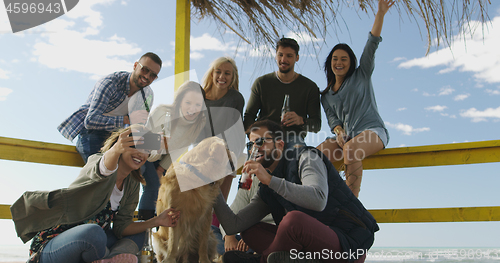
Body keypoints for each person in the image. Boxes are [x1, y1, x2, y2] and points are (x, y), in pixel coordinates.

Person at [214, 120, 379, 263]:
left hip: (348, 247)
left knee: (293, 220)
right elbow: (233, 225)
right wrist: (212, 188)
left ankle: (263, 260)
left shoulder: (307, 157)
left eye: (261, 141)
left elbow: (318, 200)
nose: (255, 148)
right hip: (310, 250)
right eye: (250, 145)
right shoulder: (267, 188)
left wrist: (270, 180)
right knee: (249, 230)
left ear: (280, 144)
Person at [10, 124, 180, 263]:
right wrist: (115, 149)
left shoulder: (132, 183)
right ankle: (111, 257)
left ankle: (111, 259)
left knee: (141, 230)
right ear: (120, 146)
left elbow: (122, 227)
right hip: (56, 244)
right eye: (135, 147)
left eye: (146, 151)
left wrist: (157, 220)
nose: (141, 154)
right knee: (94, 233)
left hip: (94, 245)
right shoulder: (98, 162)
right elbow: (104, 168)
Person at [316, 0, 393, 198]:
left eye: (344, 59)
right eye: (335, 59)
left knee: (350, 150)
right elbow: (334, 122)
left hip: (373, 132)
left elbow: (372, 43)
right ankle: (321, 199)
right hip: (348, 139)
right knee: (314, 156)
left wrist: (381, 14)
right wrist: (339, 132)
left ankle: (352, 208)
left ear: (351, 62)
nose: (339, 62)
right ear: (329, 63)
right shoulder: (325, 96)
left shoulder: (362, 75)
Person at [58, 52, 162, 163]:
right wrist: (126, 120)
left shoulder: (147, 94)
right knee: (100, 170)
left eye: (153, 75)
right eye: (144, 70)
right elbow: (90, 121)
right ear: (135, 65)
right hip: (92, 132)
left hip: (119, 136)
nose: (147, 76)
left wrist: (156, 140)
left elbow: (137, 127)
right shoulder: (110, 83)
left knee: (149, 157)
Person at [138, 81, 207, 220]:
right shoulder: (162, 113)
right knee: (152, 186)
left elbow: (179, 148)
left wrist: (160, 170)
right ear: (180, 101)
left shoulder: (199, 121)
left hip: (163, 158)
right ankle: (143, 230)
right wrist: (159, 147)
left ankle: (155, 231)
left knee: (163, 192)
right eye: (188, 102)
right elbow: (144, 148)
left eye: (198, 105)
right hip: (144, 153)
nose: (192, 109)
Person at [199, 57, 245, 256]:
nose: (222, 77)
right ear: (212, 72)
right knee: (201, 204)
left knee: (219, 204)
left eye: (227, 73)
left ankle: (215, 249)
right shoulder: (199, 95)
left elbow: (233, 128)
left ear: (233, 77)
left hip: (227, 153)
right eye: (219, 71)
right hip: (202, 153)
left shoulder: (236, 98)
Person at [243, 38, 321, 149]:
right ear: (275, 56)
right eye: (280, 55)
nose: (283, 59)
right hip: (264, 136)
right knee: (252, 164)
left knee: (297, 156)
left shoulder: (310, 87)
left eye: (289, 56)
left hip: (293, 138)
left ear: (297, 58)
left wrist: (301, 121)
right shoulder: (261, 83)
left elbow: (316, 125)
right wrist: (254, 136)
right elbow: (249, 116)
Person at [220, 174, 275, 254]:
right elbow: (231, 213)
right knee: (209, 233)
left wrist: (252, 236)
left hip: (271, 236)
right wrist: (229, 237)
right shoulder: (250, 181)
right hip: (246, 239)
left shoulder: (283, 179)